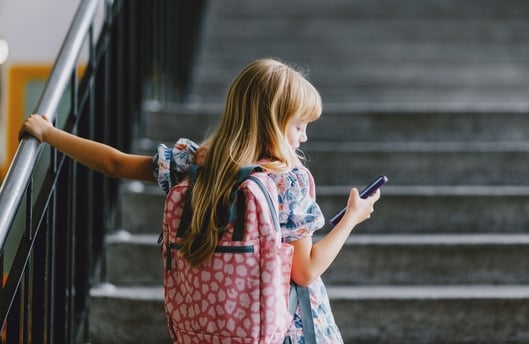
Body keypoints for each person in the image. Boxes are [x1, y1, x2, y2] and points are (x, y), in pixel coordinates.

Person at [21, 57, 381, 343]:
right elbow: (305, 271)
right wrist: (351, 217)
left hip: (214, 328)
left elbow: (115, 163)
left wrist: (49, 133)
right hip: (285, 328)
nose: (303, 138)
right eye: (299, 125)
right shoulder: (287, 180)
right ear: (272, 121)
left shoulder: (193, 164)